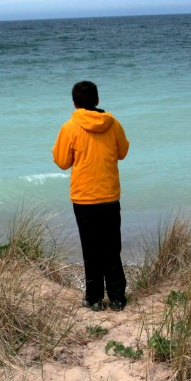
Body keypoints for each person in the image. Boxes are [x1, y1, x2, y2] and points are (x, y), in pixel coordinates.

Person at [52, 81, 130, 311]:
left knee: (91, 250)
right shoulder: (113, 123)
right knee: (112, 248)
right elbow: (123, 152)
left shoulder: (70, 127)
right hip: (109, 193)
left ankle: (94, 298)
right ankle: (117, 297)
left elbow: (62, 161)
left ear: (74, 103)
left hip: (84, 197)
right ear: (97, 100)